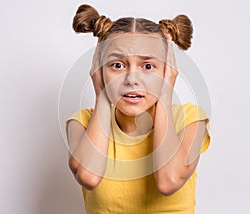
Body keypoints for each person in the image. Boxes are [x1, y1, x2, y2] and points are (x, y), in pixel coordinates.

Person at [65, 4, 211, 214]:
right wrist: (102, 97)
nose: (132, 79)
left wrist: (165, 92)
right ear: (99, 68)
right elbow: (88, 177)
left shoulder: (191, 120)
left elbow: (168, 182)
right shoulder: (81, 122)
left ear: (167, 70)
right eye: (117, 65)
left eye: (148, 66)